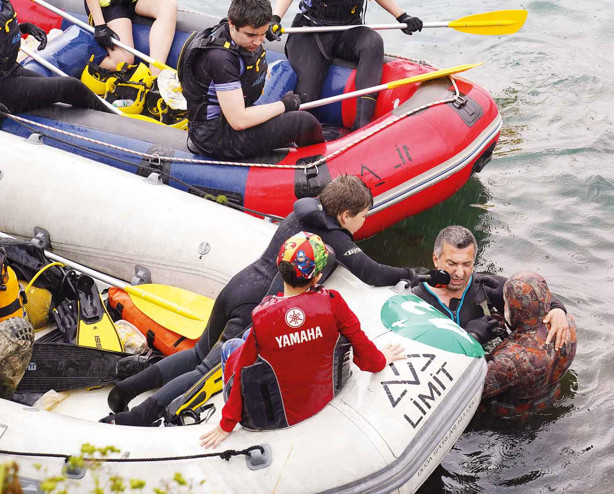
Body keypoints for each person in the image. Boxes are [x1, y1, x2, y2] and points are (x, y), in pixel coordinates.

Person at [103, 174, 440, 426]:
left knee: (197, 353)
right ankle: (140, 416)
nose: (364, 221)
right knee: (208, 370)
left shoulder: (304, 213)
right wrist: (415, 274)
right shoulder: (332, 235)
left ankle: (126, 390)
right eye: (363, 215)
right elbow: (373, 273)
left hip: (239, 283)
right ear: (346, 214)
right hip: (254, 304)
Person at [200, 232, 404, 447]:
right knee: (250, 342)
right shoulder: (334, 303)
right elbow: (364, 349)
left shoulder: (262, 317)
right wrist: (381, 360)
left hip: (278, 414)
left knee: (233, 345)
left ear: (280, 267)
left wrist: (226, 424)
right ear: (317, 276)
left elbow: (241, 371)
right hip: (321, 399)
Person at [177, 0, 323, 159]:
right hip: (216, 137)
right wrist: (284, 105)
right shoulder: (220, 59)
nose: (258, 41)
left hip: (235, 114)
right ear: (232, 23)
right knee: (303, 123)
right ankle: (321, 163)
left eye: (263, 34)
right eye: (251, 35)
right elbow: (238, 120)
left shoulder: (243, 34)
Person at [411, 225, 574, 350]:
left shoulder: (485, 286)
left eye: (467, 264)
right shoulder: (414, 295)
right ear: (435, 259)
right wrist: (471, 336)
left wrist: (558, 311)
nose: (460, 274)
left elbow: (535, 296)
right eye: (452, 264)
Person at [270, 0, 423, 131]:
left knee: (373, 41)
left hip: (348, 30)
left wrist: (402, 16)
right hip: (311, 29)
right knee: (307, 98)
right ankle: (295, 135)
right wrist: (275, 18)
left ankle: (362, 125)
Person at [481, 272, 577, 415]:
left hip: (512, 416)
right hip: (551, 397)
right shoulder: (566, 322)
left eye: (506, 302)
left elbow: (471, 388)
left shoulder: (510, 360)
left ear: (513, 309)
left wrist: (473, 336)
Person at [0, 0, 111, 114]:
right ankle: (115, 122)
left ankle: (111, 119)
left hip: (11, 70)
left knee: (65, 93)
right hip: (3, 86)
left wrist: (24, 28)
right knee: (72, 87)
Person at [84, 0, 177, 76]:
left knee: (169, 6)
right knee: (123, 61)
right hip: (110, 5)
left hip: (133, 2)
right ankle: (81, 59)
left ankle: (155, 77)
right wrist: (100, 24)